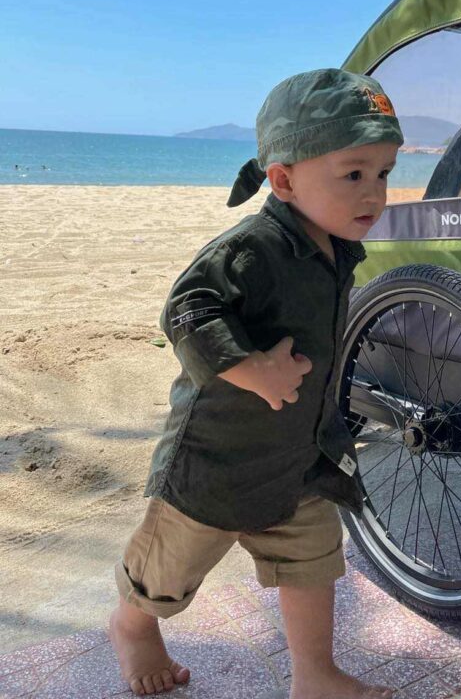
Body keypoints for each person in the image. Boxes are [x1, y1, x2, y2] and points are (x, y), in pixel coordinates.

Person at [108, 68, 404, 698]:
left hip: (299, 457)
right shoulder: (253, 247)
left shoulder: (336, 244)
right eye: (353, 173)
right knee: (167, 571)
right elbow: (186, 310)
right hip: (218, 457)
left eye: (383, 172)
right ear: (283, 178)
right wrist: (254, 368)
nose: (374, 192)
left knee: (313, 563)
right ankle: (132, 627)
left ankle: (315, 676)